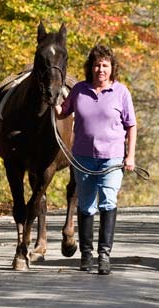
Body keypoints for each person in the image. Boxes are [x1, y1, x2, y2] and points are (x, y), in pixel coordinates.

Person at [56, 44, 137, 275]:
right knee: (86, 205)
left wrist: (130, 155)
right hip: (82, 158)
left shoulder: (121, 92)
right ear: (90, 67)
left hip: (111, 158)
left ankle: (104, 255)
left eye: (104, 65)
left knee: (108, 202)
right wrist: (53, 104)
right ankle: (86, 254)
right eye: (96, 65)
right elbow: (63, 111)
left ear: (112, 68)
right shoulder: (80, 89)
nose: (100, 69)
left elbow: (131, 125)